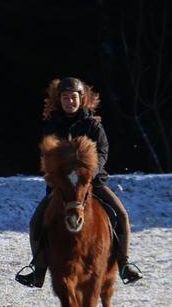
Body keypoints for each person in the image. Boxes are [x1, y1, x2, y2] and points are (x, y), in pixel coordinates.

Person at [16, 76, 143, 288]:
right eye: (65, 98)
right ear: (60, 100)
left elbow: (102, 152)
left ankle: (124, 264)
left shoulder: (93, 126)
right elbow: (48, 155)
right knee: (36, 222)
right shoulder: (51, 127)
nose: (70, 102)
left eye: (73, 97)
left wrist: (89, 174)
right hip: (61, 187)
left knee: (120, 214)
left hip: (93, 183)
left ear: (81, 99)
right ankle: (37, 270)